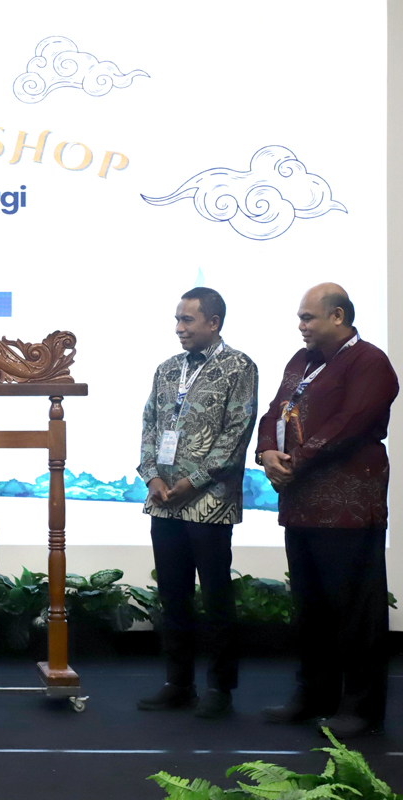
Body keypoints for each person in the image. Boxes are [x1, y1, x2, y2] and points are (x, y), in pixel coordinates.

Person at [258, 283, 398, 738]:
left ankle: (360, 708)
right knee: (310, 607)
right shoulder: (301, 361)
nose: (300, 326)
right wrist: (266, 453)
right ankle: (314, 694)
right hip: (301, 503)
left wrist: (294, 461)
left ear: (338, 316)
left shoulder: (370, 362)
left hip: (348, 506)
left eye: (308, 317)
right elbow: (275, 412)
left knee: (354, 609)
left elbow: (350, 424)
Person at [135, 287, 258, 719]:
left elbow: (237, 433)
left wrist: (195, 480)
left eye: (187, 320)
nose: (178, 328)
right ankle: (179, 684)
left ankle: (220, 688)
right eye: (177, 319)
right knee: (173, 595)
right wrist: (150, 474)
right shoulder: (167, 369)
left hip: (210, 501)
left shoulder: (239, 366)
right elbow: (149, 425)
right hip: (164, 500)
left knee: (216, 595)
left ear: (214, 322)